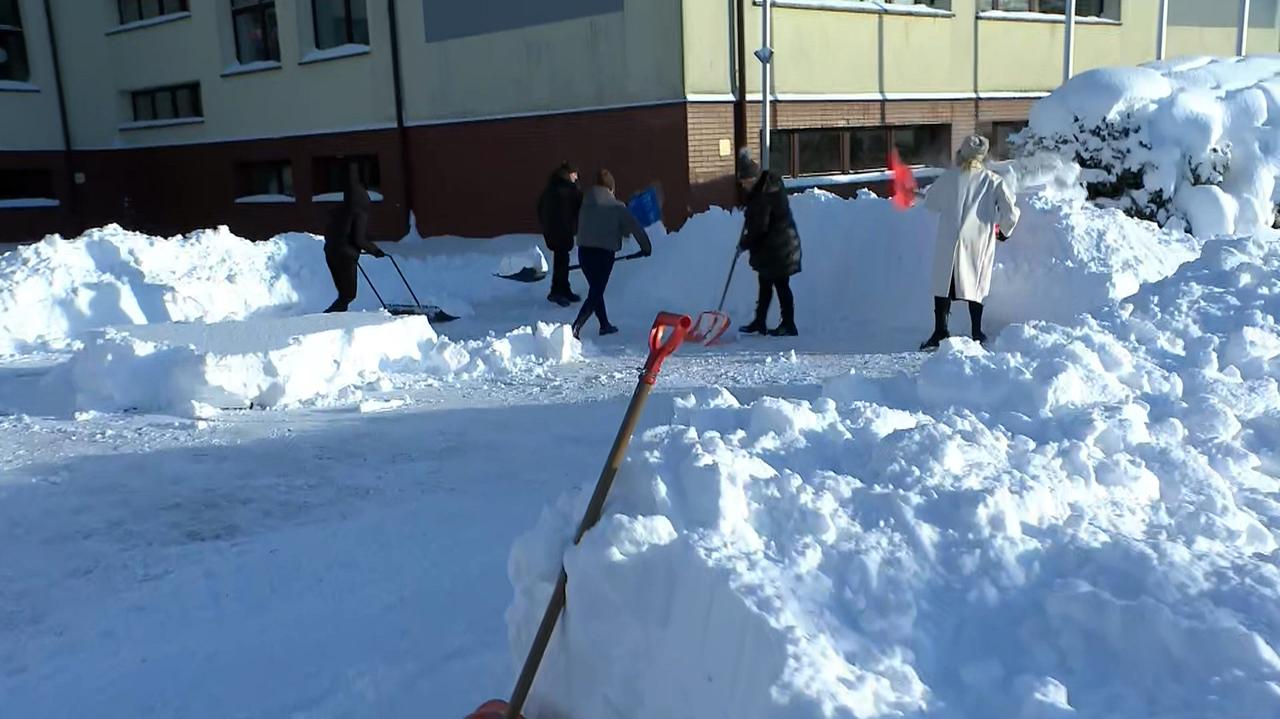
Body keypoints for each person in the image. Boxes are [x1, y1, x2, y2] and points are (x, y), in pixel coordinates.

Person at [919, 134, 1020, 349]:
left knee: (944, 283)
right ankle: (976, 332)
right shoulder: (992, 180)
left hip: (949, 238)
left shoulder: (949, 177)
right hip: (978, 241)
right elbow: (1010, 212)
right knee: (976, 283)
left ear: (962, 153)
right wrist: (1004, 231)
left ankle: (940, 331)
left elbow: (931, 203)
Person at [572, 169, 652, 339]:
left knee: (595, 289)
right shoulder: (617, 207)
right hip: (604, 254)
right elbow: (634, 227)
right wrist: (646, 248)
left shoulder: (585, 203)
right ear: (611, 188)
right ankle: (576, 326)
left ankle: (604, 324)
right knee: (596, 291)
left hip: (584, 252)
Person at [736, 149, 802, 337]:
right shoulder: (761, 191)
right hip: (773, 247)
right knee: (765, 283)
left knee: (781, 285)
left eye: (745, 182)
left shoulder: (764, 195)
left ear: (753, 179)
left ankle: (789, 324)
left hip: (780, 247)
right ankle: (760, 321)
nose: (743, 185)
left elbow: (759, 227)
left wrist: (744, 243)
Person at [323, 161, 385, 313]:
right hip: (345, 256)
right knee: (348, 295)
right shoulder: (359, 213)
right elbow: (359, 239)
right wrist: (376, 251)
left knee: (344, 294)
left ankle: (334, 318)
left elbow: (331, 232)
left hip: (331, 254)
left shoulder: (340, 211)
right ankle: (327, 319)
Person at [536, 162, 584, 307]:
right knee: (562, 260)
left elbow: (540, 208)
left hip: (552, 230)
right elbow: (579, 206)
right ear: (569, 174)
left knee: (561, 259)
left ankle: (562, 289)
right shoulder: (567, 190)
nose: (576, 178)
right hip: (561, 230)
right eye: (575, 175)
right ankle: (557, 291)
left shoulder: (551, 188)